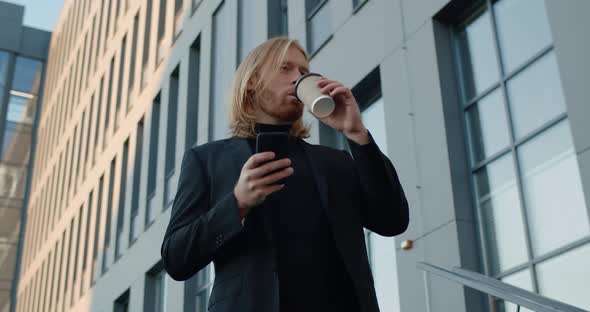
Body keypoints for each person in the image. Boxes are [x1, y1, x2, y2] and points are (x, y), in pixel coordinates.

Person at [161, 37, 409, 312]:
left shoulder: (336, 160)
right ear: (252, 80)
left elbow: (392, 220)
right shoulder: (206, 160)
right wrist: (237, 203)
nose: (298, 78)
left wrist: (357, 134)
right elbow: (176, 258)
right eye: (285, 68)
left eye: (304, 72)